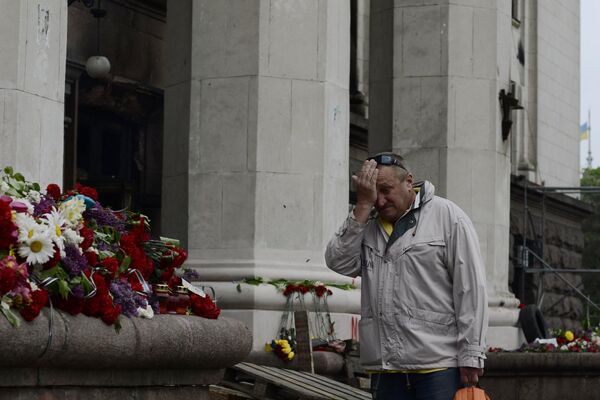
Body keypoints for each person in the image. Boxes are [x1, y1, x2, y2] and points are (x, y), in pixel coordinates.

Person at [325, 153, 488, 400]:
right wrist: (362, 206)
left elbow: (470, 289)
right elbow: (338, 261)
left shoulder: (448, 217)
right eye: (373, 192)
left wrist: (472, 353)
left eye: (386, 190)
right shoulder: (368, 223)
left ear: (408, 182)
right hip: (387, 368)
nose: (380, 200)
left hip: (438, 366)